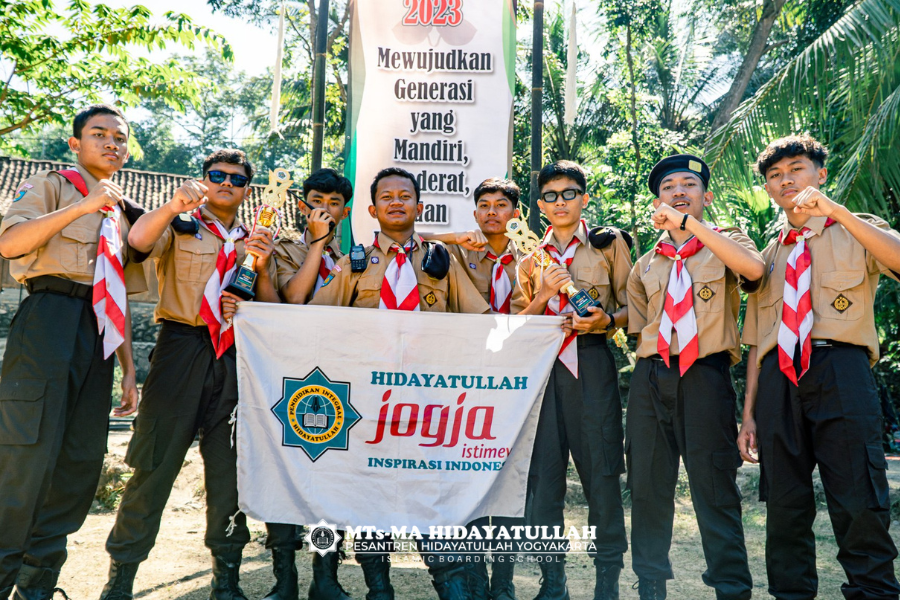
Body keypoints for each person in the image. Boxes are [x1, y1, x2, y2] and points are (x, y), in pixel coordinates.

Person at [99, 149, 279, 600]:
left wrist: (257, 278)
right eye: (217, 175)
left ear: (247, 190)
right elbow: (138, 242)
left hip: (235, 355)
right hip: (180, 348)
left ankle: (227, 579)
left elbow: (274, 306)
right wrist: (172, 205)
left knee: (229, 471)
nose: (226, 183)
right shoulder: (180, 224)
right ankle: (121, 577)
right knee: (153, 464)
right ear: (204, 180)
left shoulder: (257, 240)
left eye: (236, 179)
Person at [307, 167, 490, 600]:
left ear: (418, 207)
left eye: (404, 196)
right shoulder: (355, 263)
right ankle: (379, 586)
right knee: (370, 490)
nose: (395, 202)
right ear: (372, 211)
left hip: (429, 403)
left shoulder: (442, 261)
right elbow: (315, 320)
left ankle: (452, 582)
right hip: (368, 402)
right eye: (385, 197)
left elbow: (479, 322)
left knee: (432, 490)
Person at [739, 135, 900, 600]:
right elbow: (757, 342)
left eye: (796, 168)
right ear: (768, 189)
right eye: (775, 175)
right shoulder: (768, 257)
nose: (785, 180)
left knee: (858, 494)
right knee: (784, 503)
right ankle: (791, 594)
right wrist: (748, 415)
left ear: (821, 175)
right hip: (778, 380)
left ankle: (873, 592)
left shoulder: (856, 229)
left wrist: (839, 213)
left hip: (840, 368)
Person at [0, 104, 145, 600]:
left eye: (120, 138)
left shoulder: (122, 212)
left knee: (78, 460)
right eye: (99, 134)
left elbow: (115, 291)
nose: (111, 144)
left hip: (98, 331)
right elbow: (10, 243)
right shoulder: (53, 186)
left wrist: (128, 369)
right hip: (48, 318)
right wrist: (84, 206)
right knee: (25, 454)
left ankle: (37, 584)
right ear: (75, 143)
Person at [625, 155, 763, 600]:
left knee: (714, 487)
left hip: (704, 376)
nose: (679, 191)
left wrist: (690, 226)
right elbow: (640, 326)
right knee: (647, 487)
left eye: (689, 184)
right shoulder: (646, 263)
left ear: (706, 196)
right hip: (651, 376)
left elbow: (754, 271)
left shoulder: (728, 242)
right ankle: (650, 585)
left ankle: (731, 588)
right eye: (668, 187)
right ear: (657, 201)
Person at [227, 167, 355, 600]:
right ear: (302, 206)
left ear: (345, 211)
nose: (325, 209)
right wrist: (317, 244)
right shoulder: (281, 248)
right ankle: (284, 578)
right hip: (284, 373)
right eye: (317, 202)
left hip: (337, 373)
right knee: (280, 470)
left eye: (334, 204)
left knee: (329, 476)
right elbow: (294, 299)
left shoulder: (353, 256)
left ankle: (325, 574)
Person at [512, 160, 632, 600]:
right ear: (540, 205)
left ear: (584, 198)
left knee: (602, 474)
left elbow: (635, 307)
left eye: (569, 193)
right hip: (542, 373)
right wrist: (545, 293)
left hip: (592, 363)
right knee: (544, 482)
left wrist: (606, 321)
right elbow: (515, 326)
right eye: (550, 196)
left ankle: (607, 579)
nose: (559, 202)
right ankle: (553, 580)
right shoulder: (529, 256)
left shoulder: (608, 245)